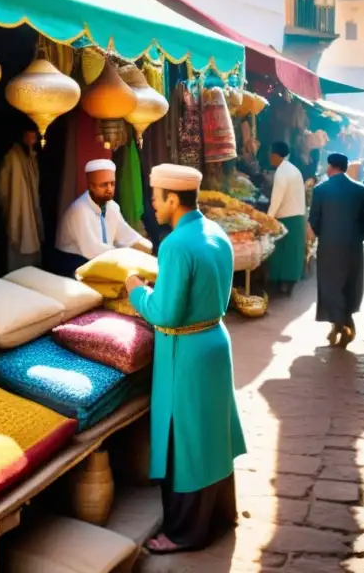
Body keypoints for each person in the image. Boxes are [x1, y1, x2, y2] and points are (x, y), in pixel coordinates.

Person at [125, 164, 246, 554]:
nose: (153, 206)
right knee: (212, 437)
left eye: (156, 198)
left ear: (173, 199)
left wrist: (136, 291)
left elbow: (165, 313)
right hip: (215, 341)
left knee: (185, 443)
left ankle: (183, 533)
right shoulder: (216, 233)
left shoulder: (175, 245)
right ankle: (220, 516)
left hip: (186, 354)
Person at [308, 153, 364, 348]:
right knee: (349, 285)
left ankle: (341, 324)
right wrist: (358, 237)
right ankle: (343, 322)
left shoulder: (321, 190)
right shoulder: (359, 189)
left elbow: (314, 220)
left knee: (331, 286)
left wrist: (324, 235)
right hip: (353, 247)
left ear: (330, 167)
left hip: (329, 247)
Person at [52, 159, 151, 277]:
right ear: (91, 186)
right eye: (104, 185)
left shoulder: (112, 207)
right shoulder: (80, 210)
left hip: (98, 258)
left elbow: (125, 234)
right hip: (72, 262)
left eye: (112, 184)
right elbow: (92, 250)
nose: (109, 189)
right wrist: (126, 255)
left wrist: (141, 244)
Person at [0, 126, 43, 272]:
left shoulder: (30, 156)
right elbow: (0, 188)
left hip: (31, 214)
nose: (34, 138)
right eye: (31, 134)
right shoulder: (12, 157)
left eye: (36, 136)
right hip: (18, 212)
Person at [267, 142, 307, 296]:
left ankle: (282, 284)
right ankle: (289, 283)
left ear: (276, 155)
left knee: (282, 252)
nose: (270, 157)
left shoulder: (282, 172)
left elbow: (276, 199)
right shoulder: (293, 169)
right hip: (297, 216)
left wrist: (268, 219)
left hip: (286, 218)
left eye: (271, 154)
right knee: (293, 252)